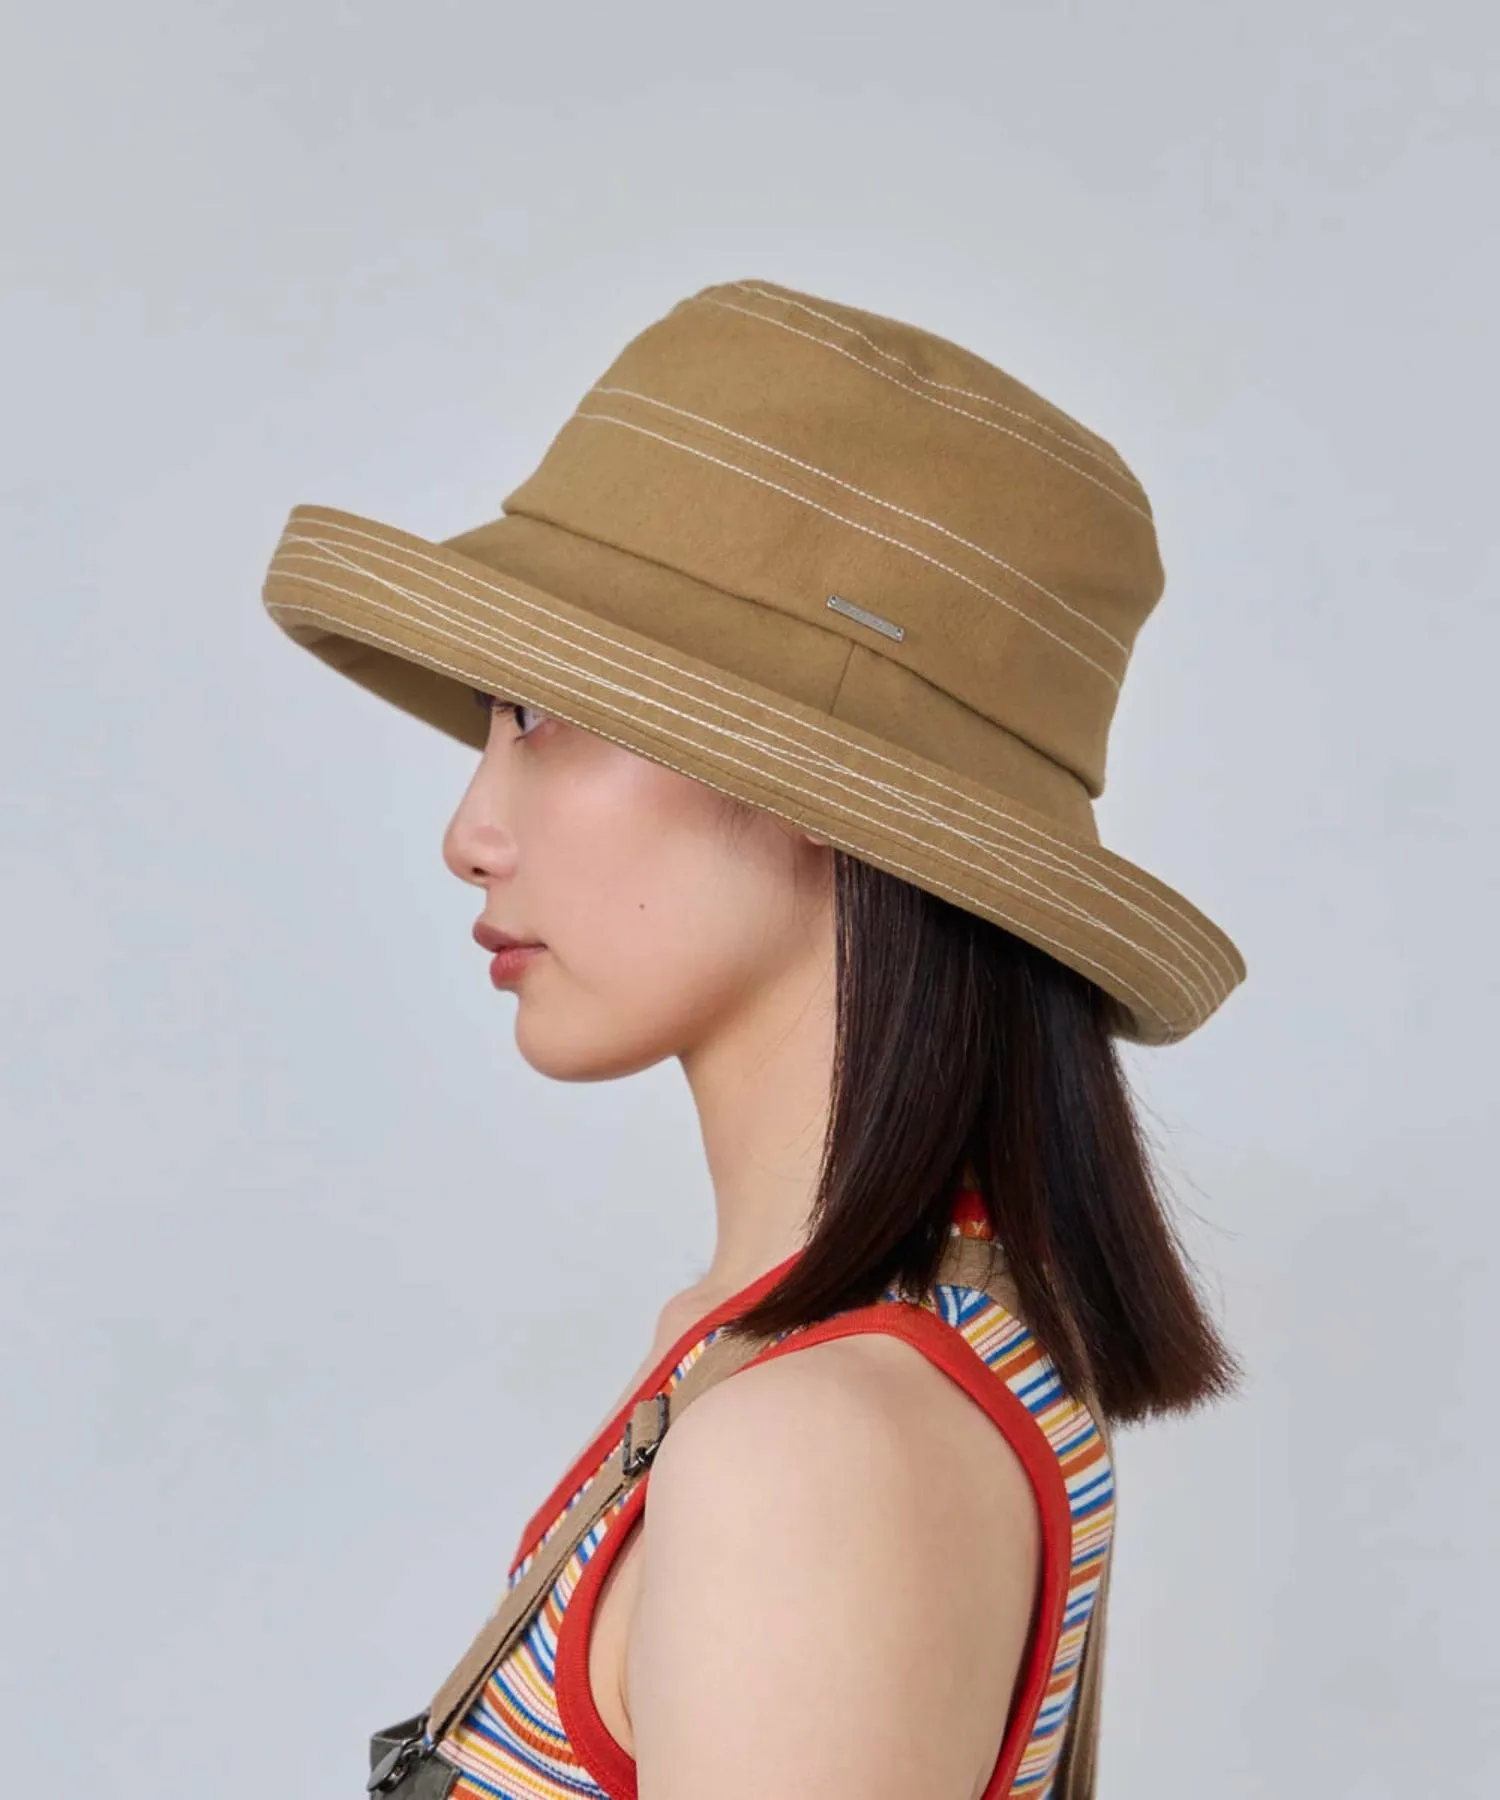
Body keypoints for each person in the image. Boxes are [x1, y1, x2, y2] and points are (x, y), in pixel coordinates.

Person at [259, 277, 1247, 1800]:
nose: (471, 831)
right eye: (494, 712)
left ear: (816, 790)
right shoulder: (785, 1357)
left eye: (542, 715)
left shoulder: (813, 1456)